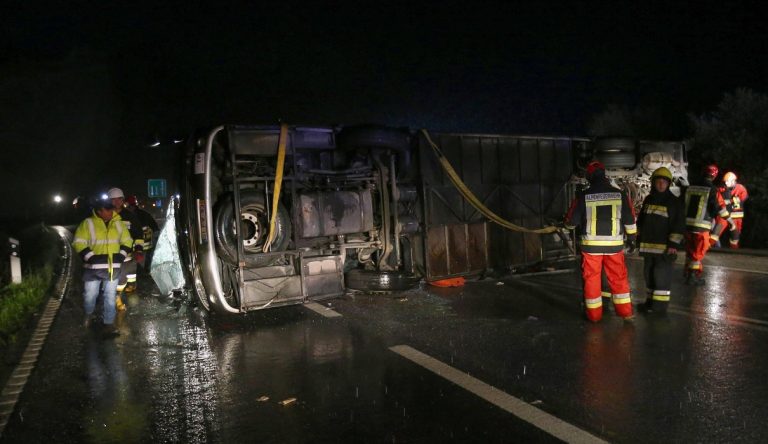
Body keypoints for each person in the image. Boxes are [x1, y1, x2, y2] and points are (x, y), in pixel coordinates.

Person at [565, 160, 637, 322]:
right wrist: (632, 239)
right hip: (614, 246)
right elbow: (630, 220)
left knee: (592, 279)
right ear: (604, 175)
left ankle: (594, 316)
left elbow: (571, 222)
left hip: (591, 247)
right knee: (618, 278)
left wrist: (567, 225)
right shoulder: (620, 194)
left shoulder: (584, 196)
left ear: (590, 176)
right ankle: (626, 313)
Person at [72, 195, 133, 334]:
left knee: (110, 296)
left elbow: (128, 241)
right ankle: (89, 314)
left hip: (112, 268)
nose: (111, 213)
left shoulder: (118, 223)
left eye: (111, 210)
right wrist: (90, 257)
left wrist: (121, 256)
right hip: (92, 269)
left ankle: (109, 323)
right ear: (99, 211)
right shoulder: (87, 224)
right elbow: (78, 242)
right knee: (90, 295)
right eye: (107, 210)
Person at [636, 167, 684, 314]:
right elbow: (641, 222)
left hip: (664, 248)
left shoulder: (674, 202)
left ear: (669, 184)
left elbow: (678, 225)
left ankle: (659, 307)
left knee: (661, 277)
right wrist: (637, 238)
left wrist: (673, 245)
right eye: (658, 181)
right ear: (653, 183)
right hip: (648, 247)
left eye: (664, 182)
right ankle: (650, 303)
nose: (661, 184)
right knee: (649, 275)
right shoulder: (649, 200)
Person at [683, 164, 721, 285]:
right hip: (701, 226)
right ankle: (693, 277)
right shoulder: (712, 188)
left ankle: (688, 273)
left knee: (690, 250)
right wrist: (725, 217)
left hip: (687, 225)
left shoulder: (691, 186)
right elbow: (714, 207)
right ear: (714, 176)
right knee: (698, 253)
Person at [107, 188, 144, 310]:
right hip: (112, 254)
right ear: (109, 201)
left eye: (119, 199)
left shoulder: (130, 216)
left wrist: (138, 250)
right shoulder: (105, 216)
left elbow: (138, 234)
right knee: (120, 278)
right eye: (113, 200)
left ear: (123, 200)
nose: (116, 202)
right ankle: (116, 297)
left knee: (130, 274)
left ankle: (130, 288)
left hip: (129, 254)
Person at [710, 171, 748, 249]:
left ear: (734, 181)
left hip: (736, 217)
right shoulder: (721, 188)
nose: (726, 183)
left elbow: (742, 199)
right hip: (724, 215)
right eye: (725, 182)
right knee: (715, 233)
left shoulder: (741, 188)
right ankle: (707, 246)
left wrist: (729, 199)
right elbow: (718, 201)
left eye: (728, 181)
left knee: (735, 237)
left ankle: (734, 251)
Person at [124, 195, 160, 269]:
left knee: (134, 267)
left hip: (134, 248)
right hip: (146, 247)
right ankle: (146, 273)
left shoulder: (127, 216)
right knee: (145, 265)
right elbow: (155, 228)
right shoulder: (145, 214)